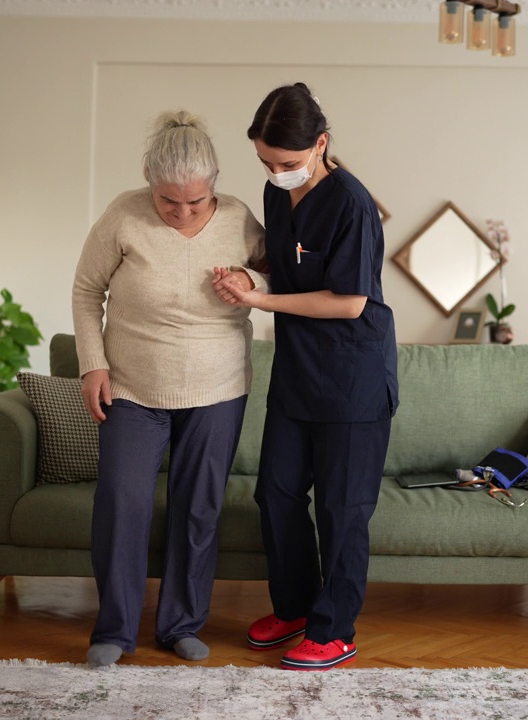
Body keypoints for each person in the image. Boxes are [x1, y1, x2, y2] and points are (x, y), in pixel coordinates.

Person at [213, 83, 399, 672]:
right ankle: (293, 608)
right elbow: (288, 257)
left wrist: (258, 300)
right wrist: (245, 268)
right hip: (299, 371)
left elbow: (348, 302)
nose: (277, 173)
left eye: (288, 163)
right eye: (266, 162)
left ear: (321, 144)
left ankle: (335, 627)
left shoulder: (351, 202)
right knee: (277, 493)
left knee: (342, 509)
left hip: (353, 374)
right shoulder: (277, 192)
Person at [73, 110, 267, 668]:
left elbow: (279, 276)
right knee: (121, 502)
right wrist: (92, 364)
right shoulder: (122, 215)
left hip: (219, 386)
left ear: (215, 186)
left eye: (196, 203)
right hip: (132, 387)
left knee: (198, 508)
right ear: (148, 181)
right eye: (169, 202)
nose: (182, 213)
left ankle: (181, 623)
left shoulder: (238, 218)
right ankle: (113, 630)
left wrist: (252, 282)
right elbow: (87, 290)